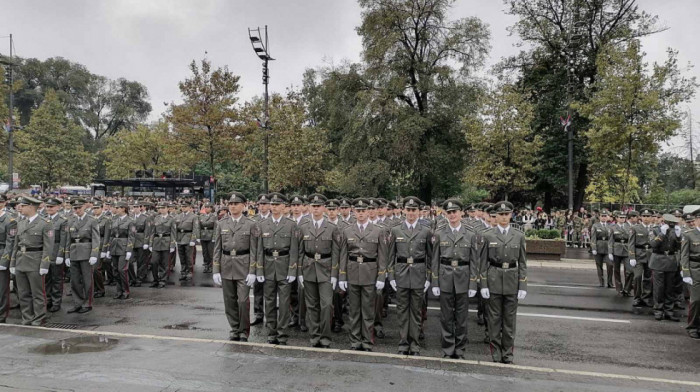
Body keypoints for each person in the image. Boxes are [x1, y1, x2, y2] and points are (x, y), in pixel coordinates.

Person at [430, 199, 480, 359]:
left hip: (463, 279)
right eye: (449, 212)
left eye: (455, 212)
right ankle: (447, 348)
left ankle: (460, 349)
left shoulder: (470, 234)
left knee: (461, 317)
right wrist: (435, 281)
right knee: (446, 317)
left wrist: (473, 283)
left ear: (461, 213)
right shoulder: (439, 233)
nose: (452, 215)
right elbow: (435, 260)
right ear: (445, 214)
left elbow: (474, 261)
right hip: (445, 278)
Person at [480, 201, 527, 364]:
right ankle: (495, 351)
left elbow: (523, 263)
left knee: (509, 321)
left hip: (512, 281)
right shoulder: (488, 235)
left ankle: (507, 353)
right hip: (493, 280)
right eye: (501, 215)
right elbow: (483, 263)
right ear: (496, 216)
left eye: (507, 214)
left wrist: (523, 285)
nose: (504, 217)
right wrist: (483, 284)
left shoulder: (519, 235)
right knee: (494, 320)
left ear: (511, 215)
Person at [338, 198, 388, 352]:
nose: (360, 214)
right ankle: (355, 340)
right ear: (354, 212)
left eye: (363, 211)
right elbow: (343, 256)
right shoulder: (347, 230)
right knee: (354, 310)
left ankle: (366, 341)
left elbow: (382, 256)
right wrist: (342, 276)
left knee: (367, 310)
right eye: (358, 211)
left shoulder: (378, 230)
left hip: (369, 273)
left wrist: (381, 276)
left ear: (368, 211)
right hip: (352, 272)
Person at [387, 196, 432, 356]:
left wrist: (429, 278)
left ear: (419, 212)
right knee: (402, 310)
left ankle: (414, 344)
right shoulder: (396, 230)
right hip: (401, 273)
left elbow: (430, 257)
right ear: (404, 210)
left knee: (416, 311)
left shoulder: (426, 231)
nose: (411, 213)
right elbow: (390, 255)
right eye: (409, 210)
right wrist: (391, 277)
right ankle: (403, 342)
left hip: (419, 274)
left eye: (414, 210)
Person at [213, 192, 259, 342]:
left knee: (243, 301)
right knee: (229, 300)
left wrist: (253, 270)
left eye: (236, 204)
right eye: (231, 204)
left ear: (243, 205)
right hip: (226, 265)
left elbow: (254, 249)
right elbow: (217, 249)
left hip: (243, 265)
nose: (233, 206)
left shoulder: (251, 224)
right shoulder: (221, 223)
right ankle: (234, 328)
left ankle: (244, 331)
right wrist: (216, 270)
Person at [296, 194, 341, 348]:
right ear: (309, 208)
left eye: (318, 206)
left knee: (327, 305)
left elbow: (336, 253)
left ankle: (325, 336)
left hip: (326, 270)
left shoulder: (332, 227)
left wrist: (335, 274)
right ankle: (314, 335)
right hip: (308, 269)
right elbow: (300, 252)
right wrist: (300, 272)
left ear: (324, 208)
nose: (316, 209)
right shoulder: (303, 227)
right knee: (312, 305)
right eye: (313, 206)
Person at [257, 192, 299, 345]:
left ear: (283, 206)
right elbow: (259, 250)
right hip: (268, 265)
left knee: (284, 302)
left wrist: (293, 270)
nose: (274, 207)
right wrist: (259, 270)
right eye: (272, 205)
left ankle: (282, 332)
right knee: (269, 301)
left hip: (284, 265)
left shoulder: (291, 224)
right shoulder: (262, 224)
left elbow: (294, 250)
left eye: (277, 205)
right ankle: (271, 331)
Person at [10, 196, 54, 326]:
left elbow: (48, 246)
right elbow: (16, 245)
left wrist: (45, 264)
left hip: (35, 261)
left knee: (37, 293)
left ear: (30, 206)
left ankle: (39, 318)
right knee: (23, 293)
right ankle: (27, 317)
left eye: (23, 206)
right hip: (21, 261)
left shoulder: (44, 223)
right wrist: (13, 262)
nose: (20, 208)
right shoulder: (21, 222)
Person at [64, 198, 100, 314]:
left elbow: (95, 238)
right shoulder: (71, 220)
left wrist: (94, 254)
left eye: (79, 208)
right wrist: (67, 255)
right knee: (74, 281)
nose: (77, 210)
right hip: (74, 252)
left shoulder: (91, 220)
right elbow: (68, 240)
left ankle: (87, 303)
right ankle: (77, 303)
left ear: (84, 207)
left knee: (87, 280)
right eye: (75, 208)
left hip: (86, 252)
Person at [649, 213, 682, 321]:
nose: (669, 225)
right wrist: (661, 234)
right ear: (662, 221)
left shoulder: (674, 231)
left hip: (671, 261)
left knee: (670, 288)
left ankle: (669, 310)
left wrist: (678, 236)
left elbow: (678, 247)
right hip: (658, 260)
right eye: (667, 223)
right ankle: (658, 310)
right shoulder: (655, 230)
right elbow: (653, 244)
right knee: (659, 288)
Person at [44, 197, 68, 313]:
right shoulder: (44, 219)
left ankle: (56, 301)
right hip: (46, 253)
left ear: (58, 207)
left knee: (57, 279)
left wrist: (60, 254)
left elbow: (64, 239)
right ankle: (48, 300)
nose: (49, 209)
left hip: (56, 251)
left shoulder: (62, 221)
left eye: (51, 207)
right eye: (47, 206)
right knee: (46, 279)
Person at [628, 209, 655, 308]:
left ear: (652, 217)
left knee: (648, 278)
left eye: (648, 216)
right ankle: (637, 297)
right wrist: (631, 256)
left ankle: (646, 297)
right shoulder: (635, 228)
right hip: (638, 255)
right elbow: (631, 244)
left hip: (651, 255)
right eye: (644, 216)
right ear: (641, 217)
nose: (646, 218)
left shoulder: (655, 229)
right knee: (637, 276)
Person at [680, 207, 700, 339]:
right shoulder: (689, 234)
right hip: (695, 269)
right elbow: (684, 255)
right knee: (696, 300)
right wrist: (686, 273)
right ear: (697, 220)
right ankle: (692, 326)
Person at [109, 201, 135, 299]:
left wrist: (129, 249)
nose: (116, 209)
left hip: (123, 247)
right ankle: (119, 290)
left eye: (118, 207)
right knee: (115, 270)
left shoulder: (130, 221)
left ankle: (126, 290)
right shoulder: (114, 219)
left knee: (122, 270)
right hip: (114, 247)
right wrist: (108, 249)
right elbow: (111, 235)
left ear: (124, 208)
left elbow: (131, 236)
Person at [149, 202, 177, 289]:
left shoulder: (171, 219)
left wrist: (172, 245)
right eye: (160, 208)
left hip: (166, 241)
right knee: (154, 262)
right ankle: (155, 279)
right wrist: (150, 243)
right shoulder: (156, 218)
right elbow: (152, 232)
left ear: (167, 208)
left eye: (163, 208)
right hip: (156, 242)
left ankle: (163, 280)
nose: (161, 209)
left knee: (165, 263)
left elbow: (173, 233)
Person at [0, 194, 17, 323]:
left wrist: (5, 259)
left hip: (2, 252)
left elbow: (10, 241)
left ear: (4, 203)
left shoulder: (9, 220)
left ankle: (1, 313)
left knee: (2, 287)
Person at [174, 202, 200, 282]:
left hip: (188, 237)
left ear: (189, 207)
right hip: (180, 238)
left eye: (185, 206)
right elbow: (175, 229)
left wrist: (193, 239)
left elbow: (196, 228)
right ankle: (183, 272)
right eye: (182, 206)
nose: (183, 208)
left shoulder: (194, 216)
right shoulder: (178, 216)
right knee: (182, 257)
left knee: (189, 257)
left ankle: (189, 272)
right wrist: (175, 239)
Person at [92, 201, 111, 298]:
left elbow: (107, 235)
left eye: (97, 208)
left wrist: (105, 249)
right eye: (94, 208)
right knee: (91, 269)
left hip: (100, 245)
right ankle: (94, 288)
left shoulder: (106, 220)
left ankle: (100, 289)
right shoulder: (90, 219)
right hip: (91, 246)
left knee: (96, 269)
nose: (95, 210)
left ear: (101, 208)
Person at [591, 209, 613, 288]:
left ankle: (610, 282)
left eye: (605, 216)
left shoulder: (610, 226)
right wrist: (593, 248)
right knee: (599, 265)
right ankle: (601, 282)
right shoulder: (595, 225)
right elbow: (593, 237)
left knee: (610, 265)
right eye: (602, 216)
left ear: (607, 217)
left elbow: (612, 238)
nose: (603, 218)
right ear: (599, 217)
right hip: (599, 246)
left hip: (608, 247)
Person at [199, 202, 217, 274]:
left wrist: (214, 236)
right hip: (203, 235)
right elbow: (199, 226)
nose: (206, 208)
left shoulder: (214, 216)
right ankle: (206, 265)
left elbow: (216, 227)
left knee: (211, 252)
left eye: (208, 207)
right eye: (205, 207)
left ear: (211, 208)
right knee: (204, 252)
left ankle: (211, 266)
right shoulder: (201, 216)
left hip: (210, 235)